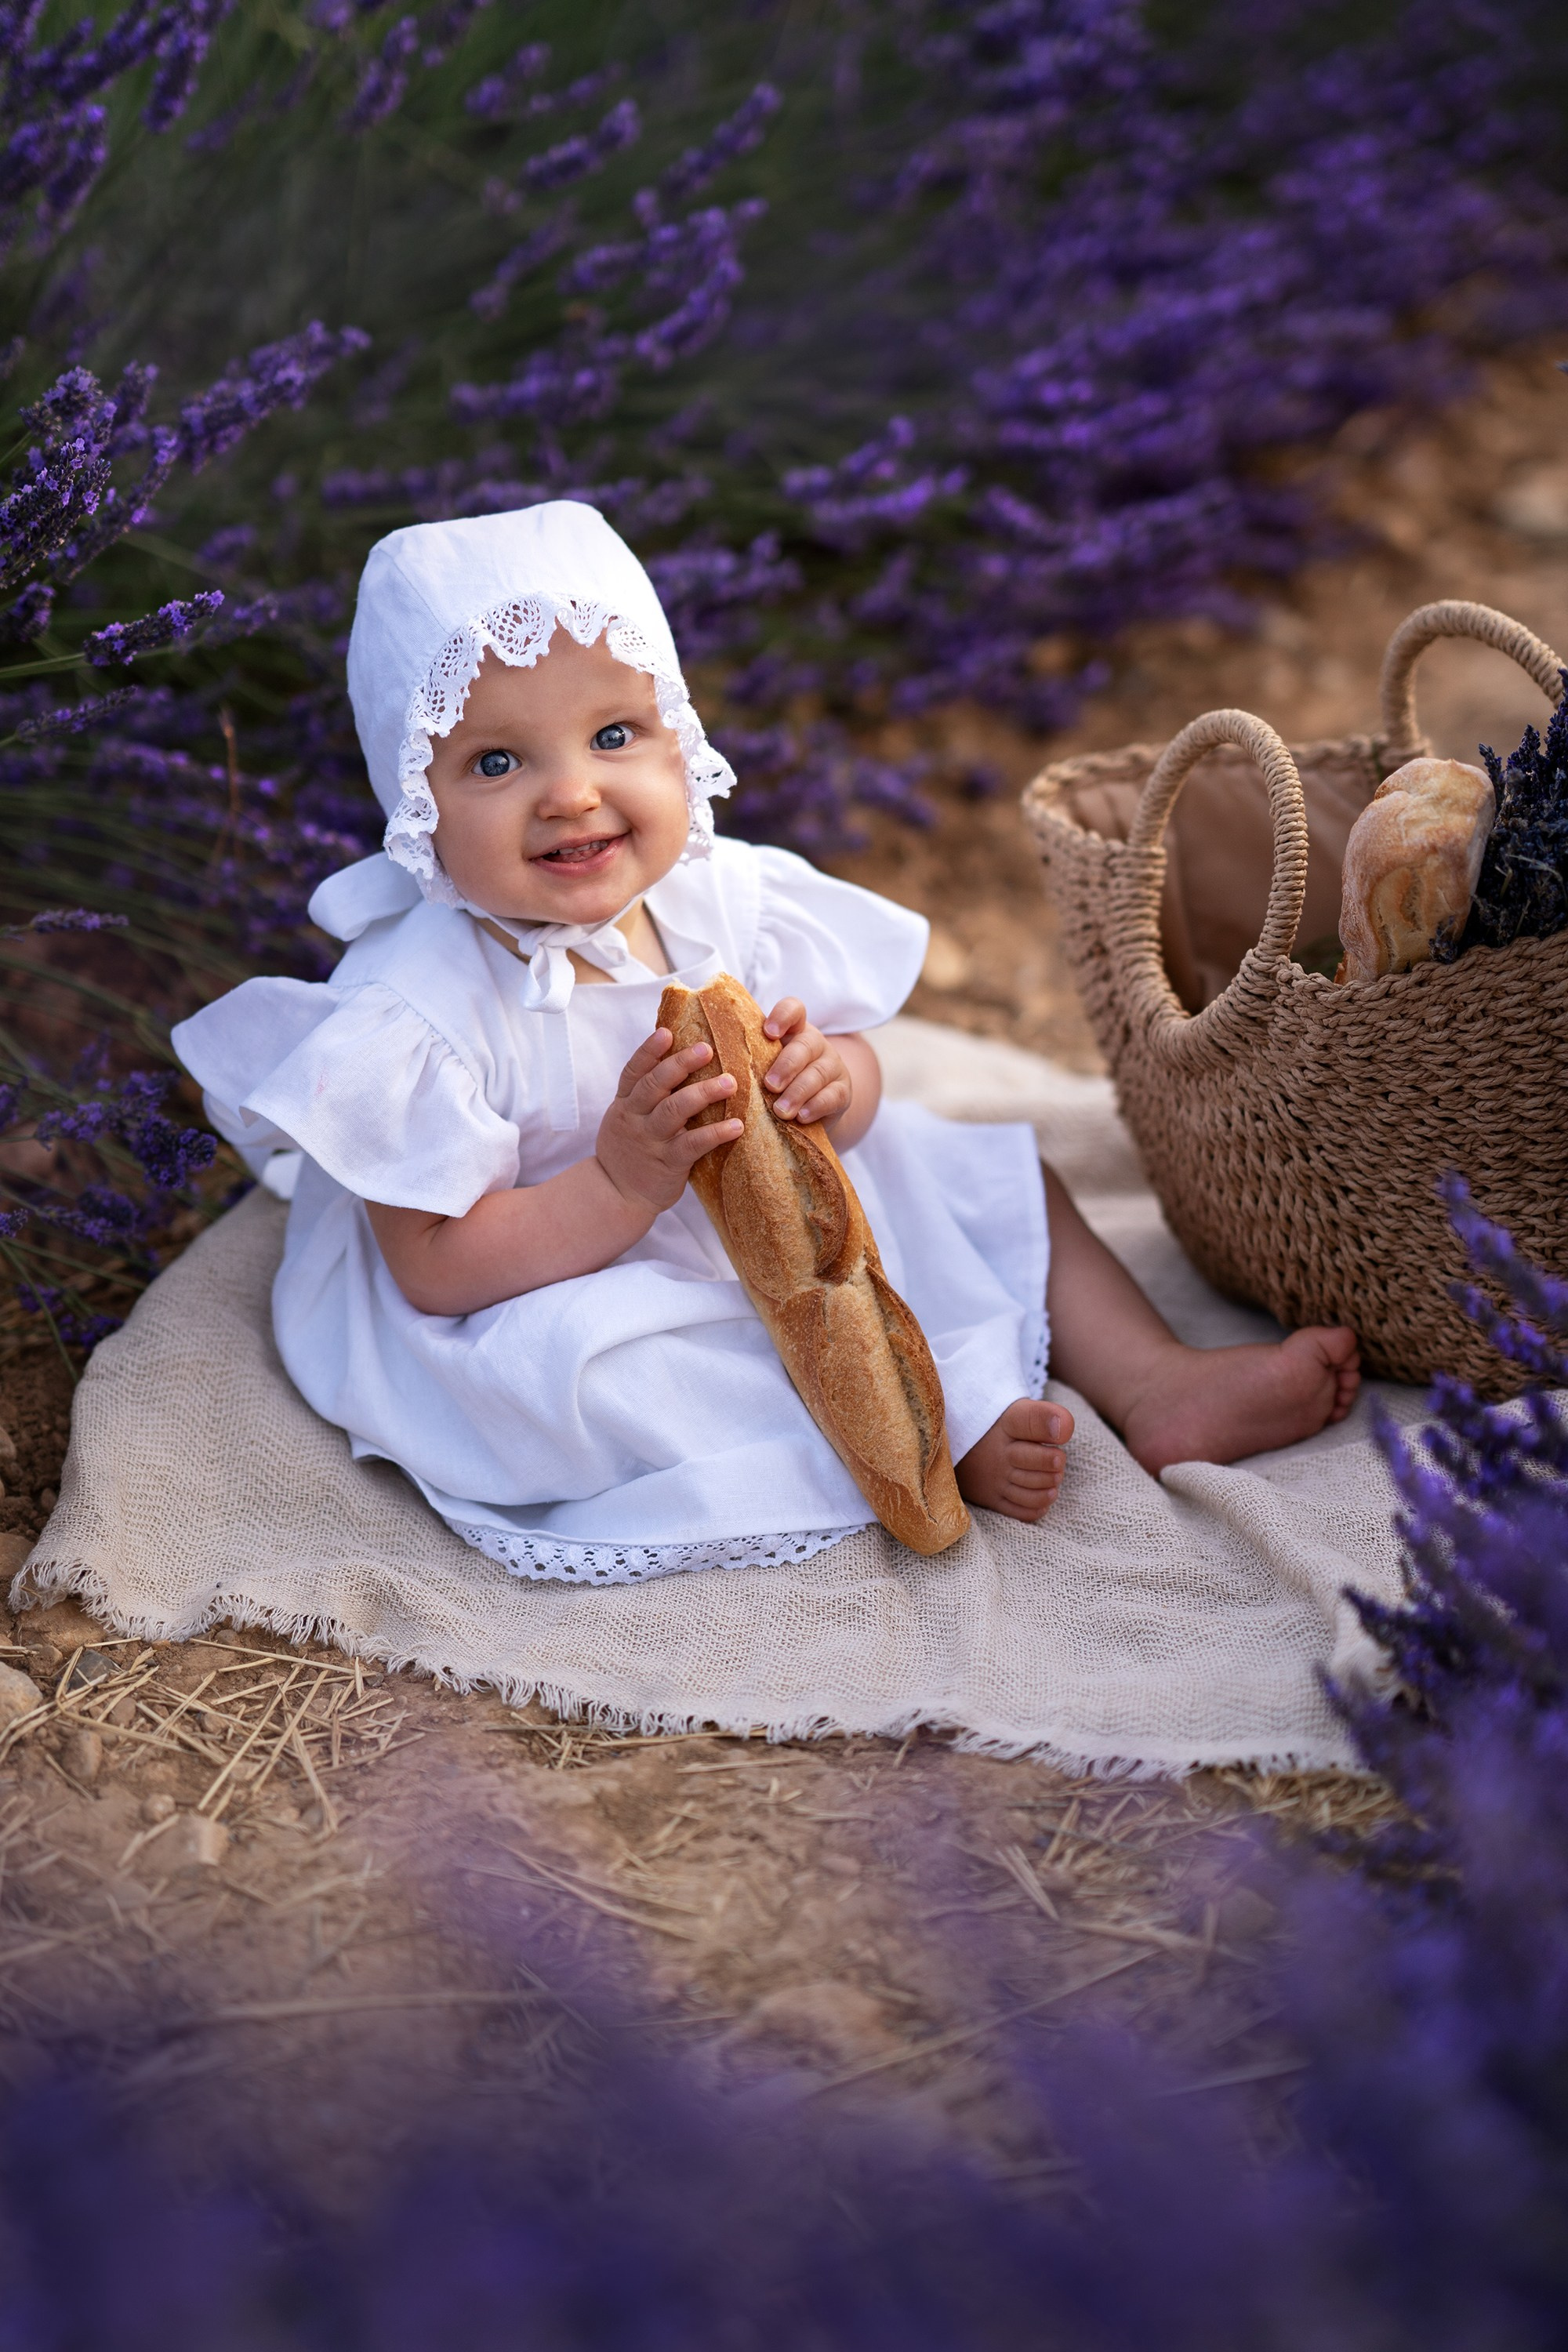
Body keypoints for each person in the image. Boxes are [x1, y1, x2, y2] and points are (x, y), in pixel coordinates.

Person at [174, 503, 1359, 1588]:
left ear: (679, 736)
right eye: (497, 761)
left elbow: (855, 1073)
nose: (574, 793)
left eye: (615, 732)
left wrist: (835, 1083)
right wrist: (618, 1183)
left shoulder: (720, 901)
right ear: (415, 796)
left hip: (749, 1215)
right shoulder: (424, 1004)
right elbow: (434, 1264)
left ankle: (1150, 1380)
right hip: (545, 1260)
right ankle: (921, 1432)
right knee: (618, 1374)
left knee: (990, 1172)